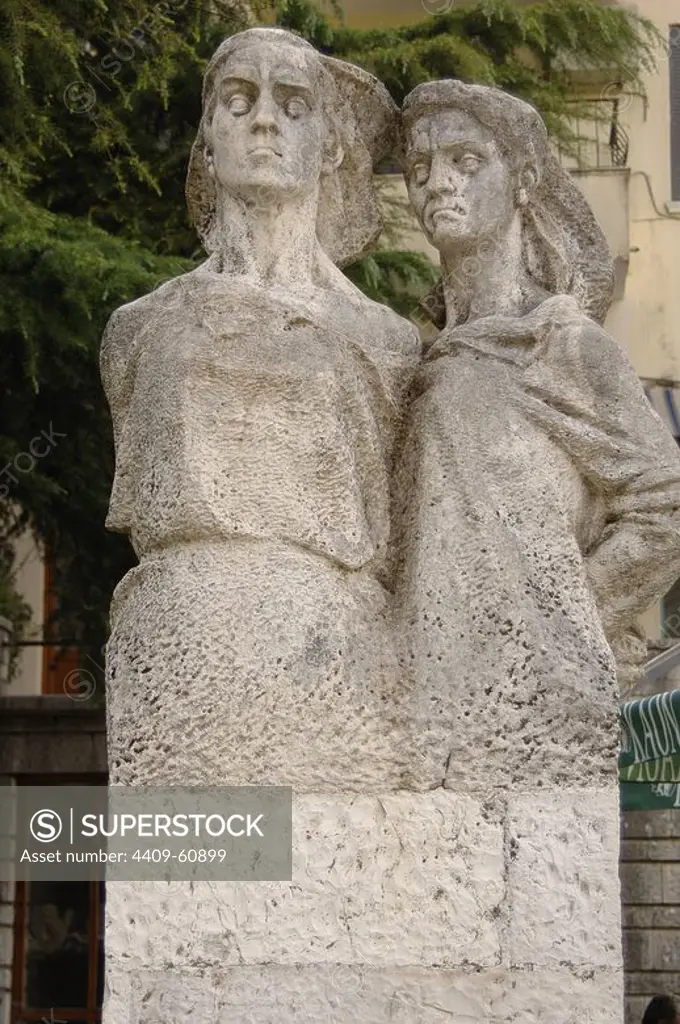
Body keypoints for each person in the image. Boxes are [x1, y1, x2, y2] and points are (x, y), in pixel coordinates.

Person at [100, 28, 420, 789]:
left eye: (294, 104)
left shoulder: (387, 342)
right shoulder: (137, 331)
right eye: (237, 102)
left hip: (333, 658)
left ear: (333, 146)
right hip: (180, 648)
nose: (265, 121)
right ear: (207, 140)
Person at [393, 79, 680, 790]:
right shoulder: (423, 356)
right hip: (424, 682)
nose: (439, 183)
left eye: (465, 159)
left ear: (522, 180)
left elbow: (666, 504)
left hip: (531, 695)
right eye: (421, 168)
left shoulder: (562, 344)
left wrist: (567, 613)